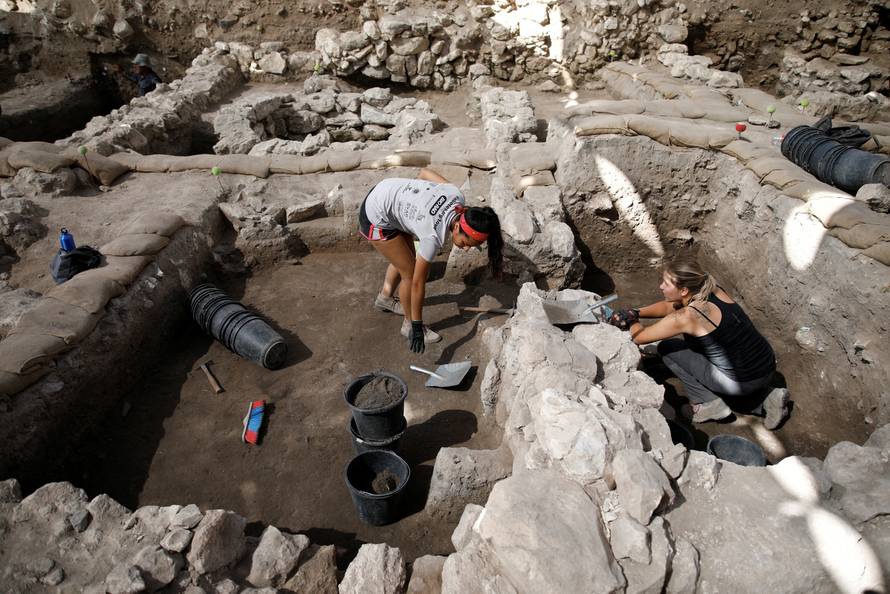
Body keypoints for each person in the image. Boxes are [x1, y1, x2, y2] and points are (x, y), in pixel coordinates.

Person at [609, 255, 790, 428]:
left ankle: (708, 404)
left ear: (684, 290)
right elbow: (670, 306)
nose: (661, 286)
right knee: (713, 357)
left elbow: (639, 336)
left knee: (668, 348)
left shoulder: (689, 316)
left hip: (742, 382)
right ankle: (768, 398)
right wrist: (636, 312)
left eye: (666, 283)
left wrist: (630, 321)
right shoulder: (711, 289)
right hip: (765, 364)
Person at [359, 168, 503, 353]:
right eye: (467, 242)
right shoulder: (432, 236)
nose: (466, 248)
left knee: (406, 261)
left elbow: (424, 173)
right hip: (375, 216)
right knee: (410, 274)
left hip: (385, 192)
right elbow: (417, 284)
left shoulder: (456, 196)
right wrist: (418, 325)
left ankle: (385, 299)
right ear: (458, 225)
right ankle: (408, 325)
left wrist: (414, 202)